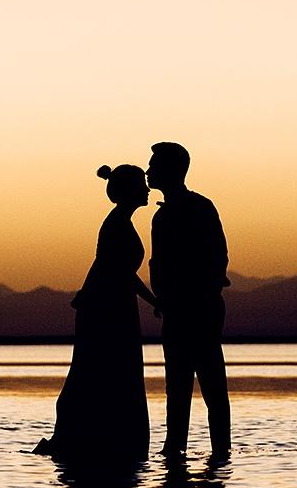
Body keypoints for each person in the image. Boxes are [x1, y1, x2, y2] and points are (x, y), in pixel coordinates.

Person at [34, 164, 157, 469]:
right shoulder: (116, 225)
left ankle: (104, 445)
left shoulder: (120, 223)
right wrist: (155, 300)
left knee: (104, 374)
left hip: (111, 307)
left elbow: (116, 270)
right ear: (129, 191)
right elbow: (119, 272)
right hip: (107, 311)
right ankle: (102, 444)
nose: (147, 189)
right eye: (142, 184)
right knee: (101, 373)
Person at [147, 141, 231, 461]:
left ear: (171, 170)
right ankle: (175, 449)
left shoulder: (199, 207)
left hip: (200, 309)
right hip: (176, 309)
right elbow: (160, 265)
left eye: (154, 165)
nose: (148, 171)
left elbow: (217, 255)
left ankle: (220, 450)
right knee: (177, 386)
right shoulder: (163, 215)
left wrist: (200, 292)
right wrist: (163, 298)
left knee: (211, 384)